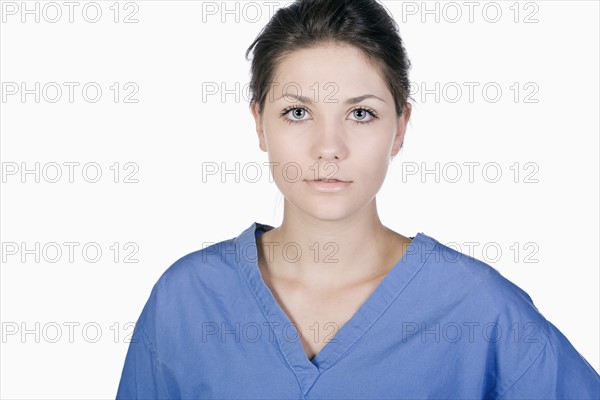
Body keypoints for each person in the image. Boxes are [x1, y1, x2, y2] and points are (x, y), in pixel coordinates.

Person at [116, 0, 600, 398]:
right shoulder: (187, 302)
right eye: (298, 111)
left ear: (400, 127)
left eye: (362, 113)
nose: (329, 147)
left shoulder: (478, 311)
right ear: (259, 123)